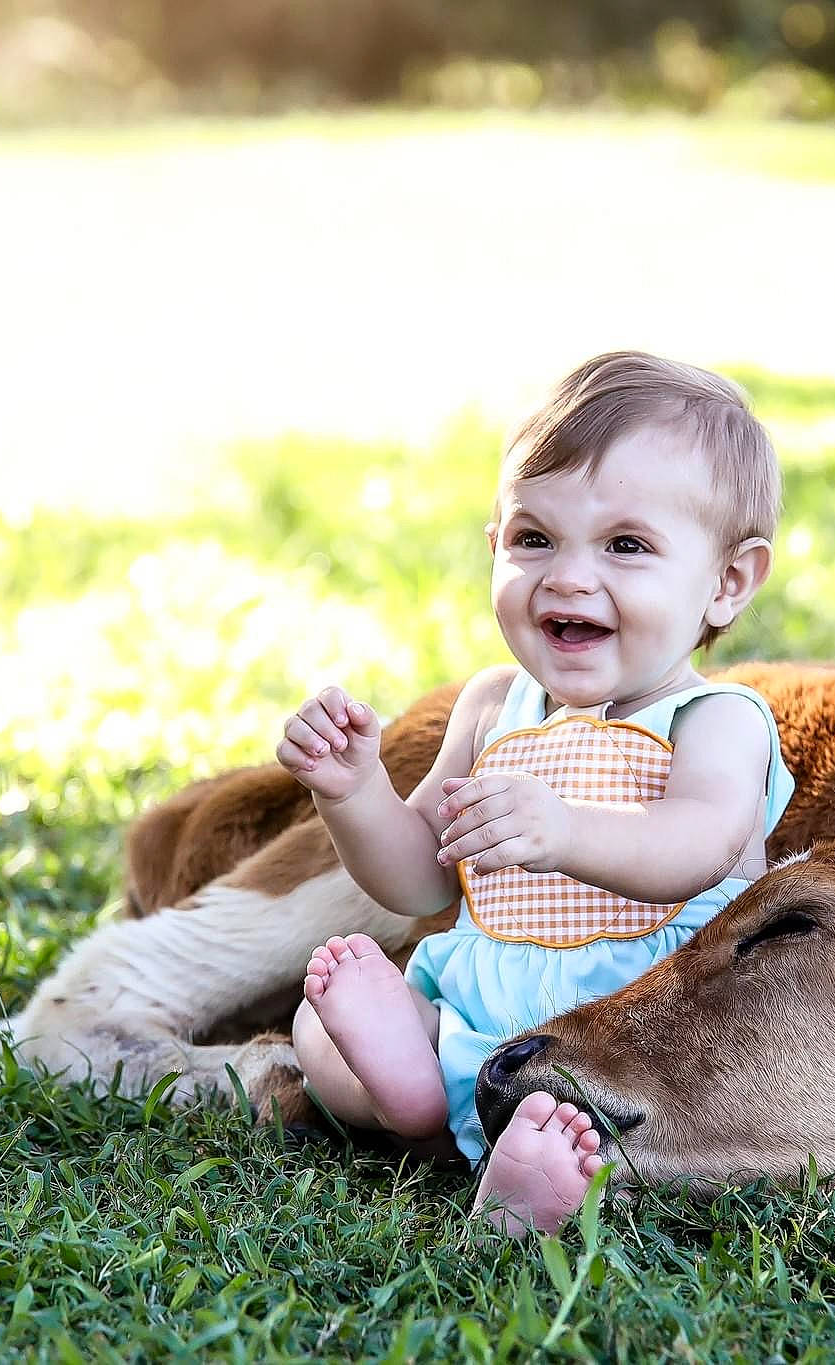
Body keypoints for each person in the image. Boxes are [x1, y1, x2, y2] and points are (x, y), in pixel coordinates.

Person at [275, 351, 794, 1235]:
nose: (567, 576)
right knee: (315, 1028)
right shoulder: (493, 706)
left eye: (626, 545)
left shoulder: (718, 718)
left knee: (640, 1104)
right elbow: (420, 878)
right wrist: (353, 791)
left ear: (727, 581)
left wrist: (564, 830)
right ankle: (417, 1099)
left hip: (641, 1026)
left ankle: (537, 1159)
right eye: (534, 538)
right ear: (495, 546)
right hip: (482, 1007)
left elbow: (700, 845)